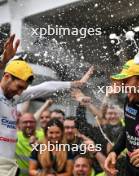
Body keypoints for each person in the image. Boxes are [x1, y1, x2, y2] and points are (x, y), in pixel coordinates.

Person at [0, 34, 93, 175]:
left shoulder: (14, 97)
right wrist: (3, 61)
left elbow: (45, 86)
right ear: (6, 77)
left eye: (23, 89)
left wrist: (74, 84)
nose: (20, 93)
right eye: (18, 87)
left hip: (10, 166)